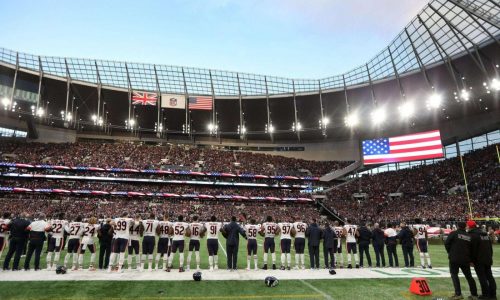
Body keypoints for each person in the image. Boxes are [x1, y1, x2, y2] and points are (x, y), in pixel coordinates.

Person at [445, 221, 478, 300]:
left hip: (454, 258)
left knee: (454, 275)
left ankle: (458, 294)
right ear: (465, 227)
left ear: (457, 226)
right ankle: (474, 294)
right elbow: (472, 249)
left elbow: (447, 243)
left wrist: (451, 252)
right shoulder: (469, 235)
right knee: (469, 277)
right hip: (465, 259)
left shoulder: (453, 233)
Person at [468, 220, 496, 300]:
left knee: (482, 278)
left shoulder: (472, 235)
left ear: (469, 227)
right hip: (487, 258)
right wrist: (490, 257)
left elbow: (473, 250)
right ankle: (493, 295)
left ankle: (485, 295)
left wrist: (471, 260)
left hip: (479, 260)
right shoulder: (485, 234)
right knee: (490, 277)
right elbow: (490, 247)